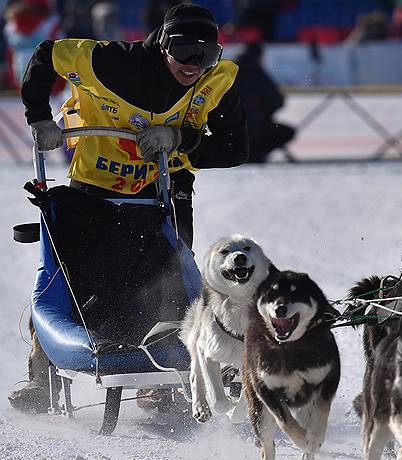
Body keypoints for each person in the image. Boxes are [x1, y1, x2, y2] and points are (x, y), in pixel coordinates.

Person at [8, 3, 249, 413]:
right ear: (162, 44)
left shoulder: (217, 81)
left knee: (174, 274)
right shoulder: (111, 61)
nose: (195, 65)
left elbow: (235, 147)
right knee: (65, 276)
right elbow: (47, 54)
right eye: (185, 51)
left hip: (164, 190)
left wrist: (180, 139)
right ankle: (41, 371)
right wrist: (38, 117)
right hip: (92, 189)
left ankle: (163, 379)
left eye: (207, 55)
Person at [235, 40, 295, 163]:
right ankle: (255, 155)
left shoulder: (230, 71)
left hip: (230, 129)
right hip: (257, 128)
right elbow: (278, 100)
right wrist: (265, 110)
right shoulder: (257, 72)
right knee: (287, 132)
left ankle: (241, 153)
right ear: (259, 56)